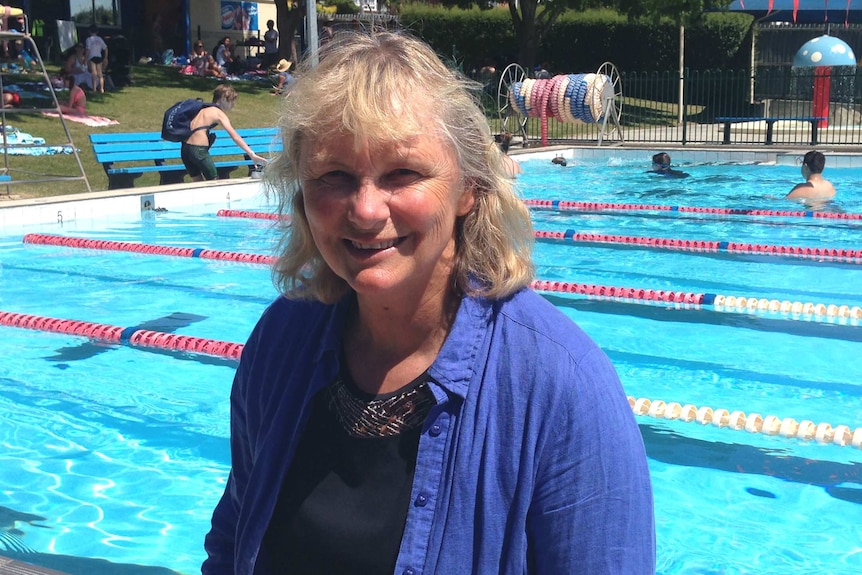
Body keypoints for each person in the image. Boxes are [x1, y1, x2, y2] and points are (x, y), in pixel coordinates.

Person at [202, 31, 654, 574]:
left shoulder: (559, 387)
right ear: (302, 194)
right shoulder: (282, 341)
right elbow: (233, 539)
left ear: (469, 188)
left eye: (403, 173)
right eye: (334, 176)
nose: (366, 210)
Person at [181, 85, 267, 182]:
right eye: (231, 100)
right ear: (222, 99)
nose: (233, 104)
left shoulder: (202, 109)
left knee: (197, 184)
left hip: (185, 149)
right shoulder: (219, 113)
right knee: (214, 183)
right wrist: (251, 153)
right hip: (198, 150)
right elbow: (235, 136)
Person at [85, 26, 108, 93]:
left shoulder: (89, 39)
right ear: (97, 32)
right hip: (99, 56)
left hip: (92, 57)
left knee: (94, 73)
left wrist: (86, 58)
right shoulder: (100, 39)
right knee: (100, 74)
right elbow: (105, 48)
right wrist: (105, 58)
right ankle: (102, 89)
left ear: (89, 31)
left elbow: (88, 50)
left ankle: (94, 88)